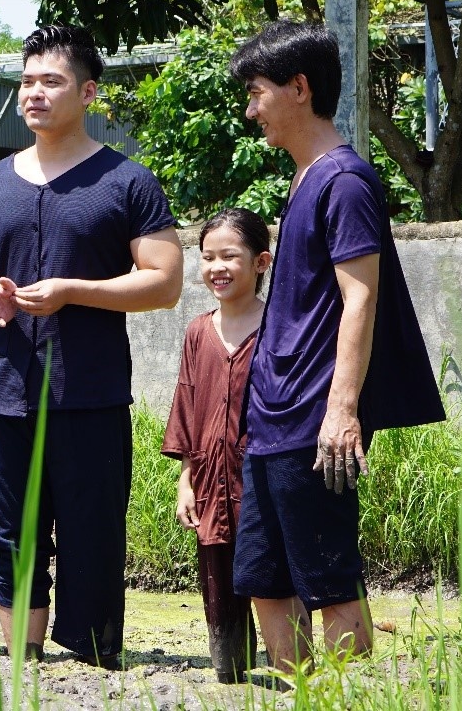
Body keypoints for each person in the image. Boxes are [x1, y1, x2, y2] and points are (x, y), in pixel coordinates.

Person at [0, 24, 183, 666]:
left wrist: (72, 291)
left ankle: (93, 653)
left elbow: (163, 281)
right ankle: (21, 655)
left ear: (88, 92)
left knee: (93, 531)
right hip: (1, 390)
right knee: (9, 536)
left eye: (51, 81)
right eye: (26, 82)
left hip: (91, 389)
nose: (35, 93)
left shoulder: (127, 180)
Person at [228, 20, 444, 671]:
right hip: (271, 418)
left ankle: (346, 695)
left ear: (299, 88)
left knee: (328, 577)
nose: (250, 108)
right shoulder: (301, 181)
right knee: (264, 577)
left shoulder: (345, 182)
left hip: (315, 419)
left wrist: (342, 408)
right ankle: (304, 691)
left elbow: (362, 298)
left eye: (257, 91)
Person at [162, 207, 272, 683]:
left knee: (271, 568)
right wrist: (186, 480)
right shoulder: (197, 332)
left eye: (230, 256)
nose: (216, 268)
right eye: (207, 257)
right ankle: (232, 671)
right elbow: (187, 405)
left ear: (261, 263)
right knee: (218, 576)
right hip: (210, 476)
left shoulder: (277, 328)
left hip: (263, 474)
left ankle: (295, 665)